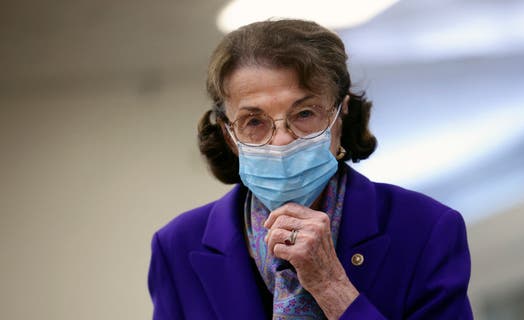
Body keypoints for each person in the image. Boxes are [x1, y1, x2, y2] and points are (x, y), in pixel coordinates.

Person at [148, 19, 473, 320]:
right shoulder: (177, 247)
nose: (281, 140)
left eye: (304, 113)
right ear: (229, 135)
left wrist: (333, 288)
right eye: (254, 121)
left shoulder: (425, 228)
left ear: (341, 114)